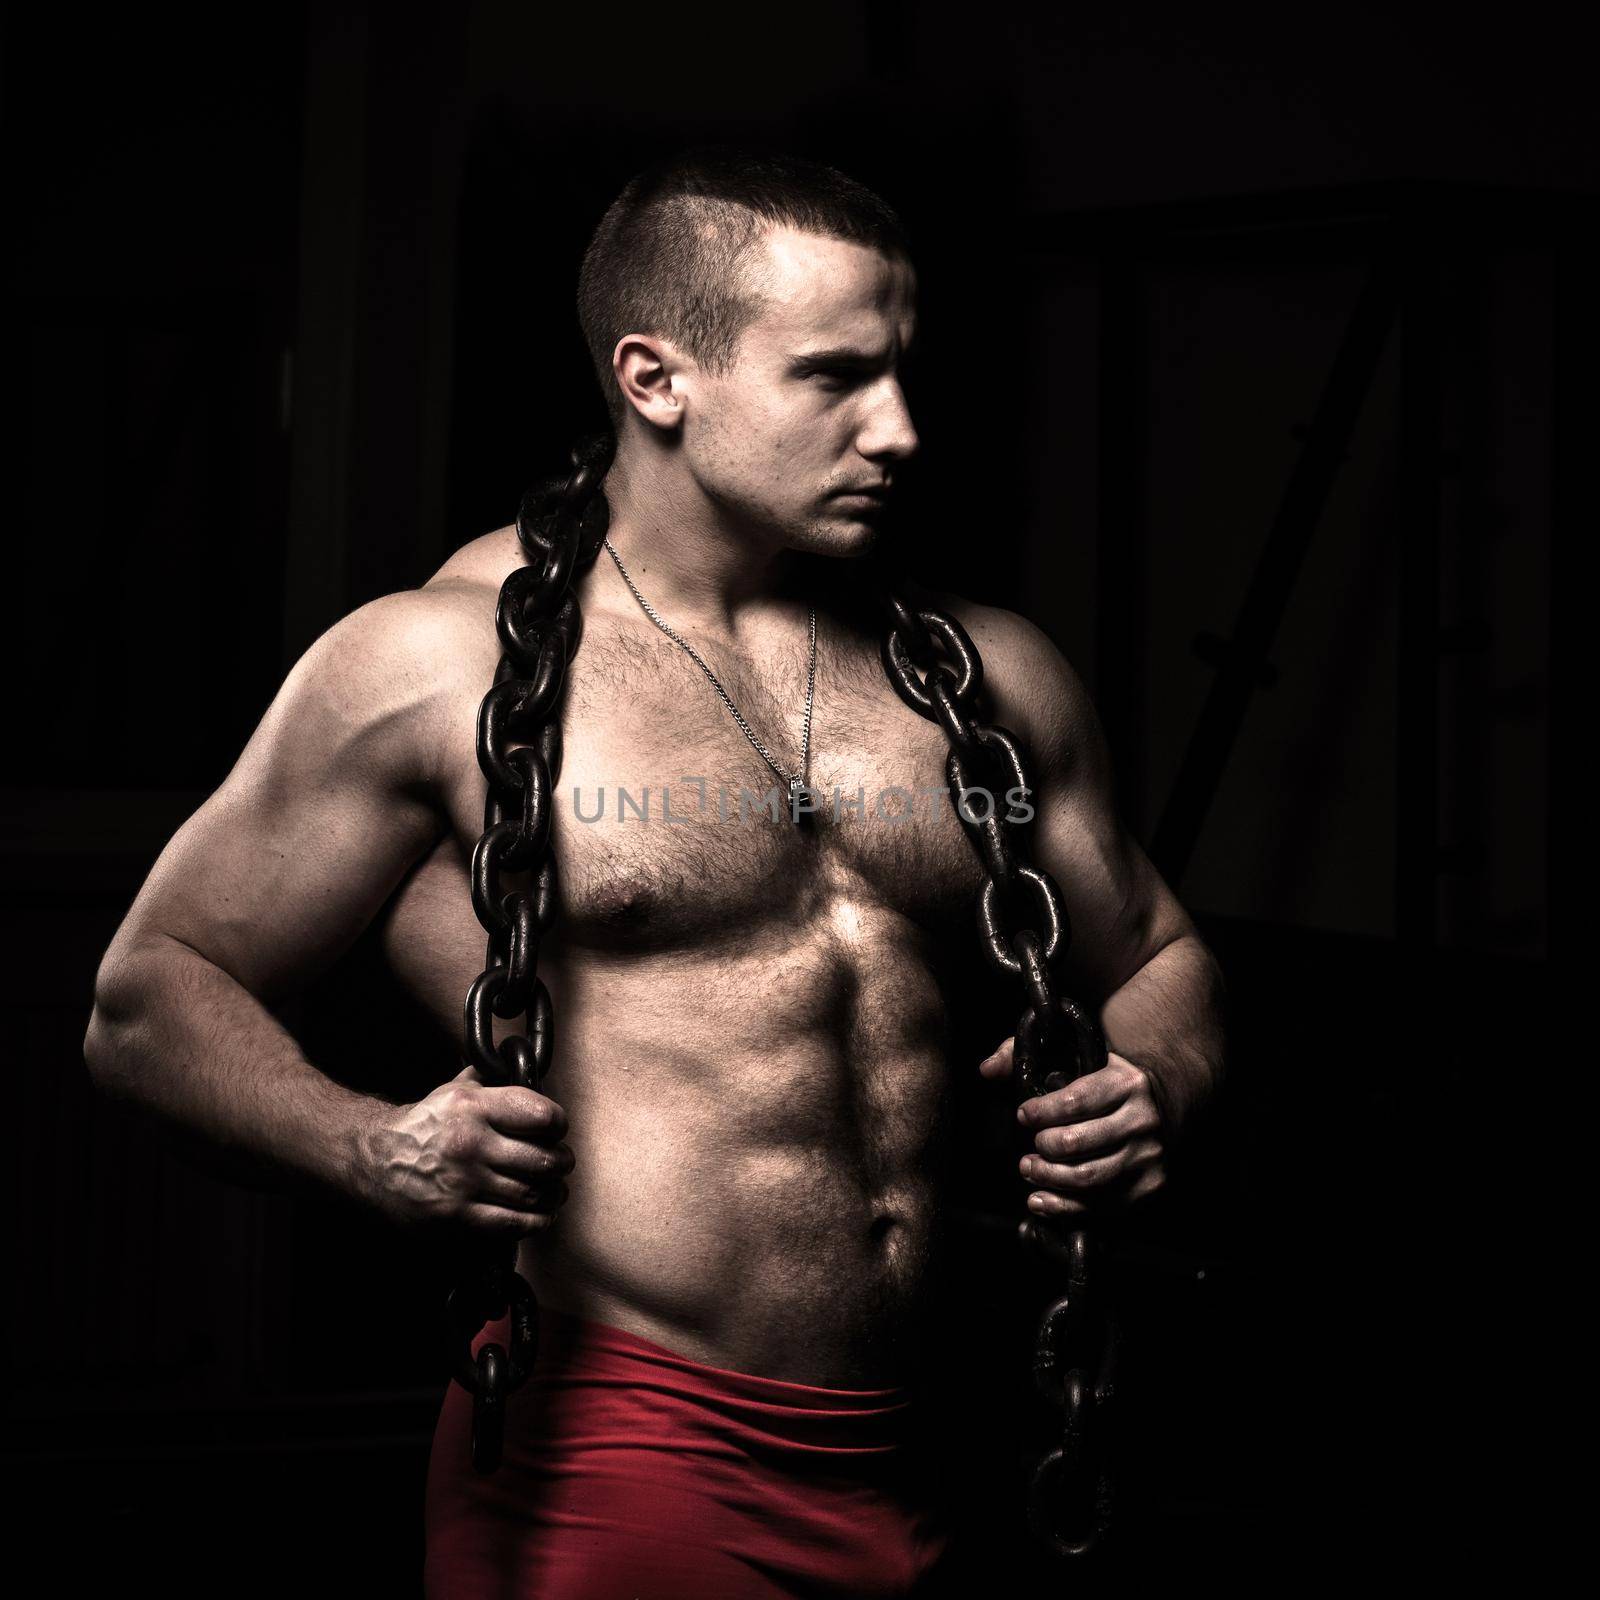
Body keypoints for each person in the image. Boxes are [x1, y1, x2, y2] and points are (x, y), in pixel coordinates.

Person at [83, 146, 1226, 1597]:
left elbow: (1162, 957)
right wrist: (373, 1149)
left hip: (934, 1432)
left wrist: (1158, 1084)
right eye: (833, 377)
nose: (901, 432)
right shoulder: (436, 667)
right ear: (655, 379)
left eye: (903, 372)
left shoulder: (989, 674)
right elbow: (149, 997)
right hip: (624, 1444)